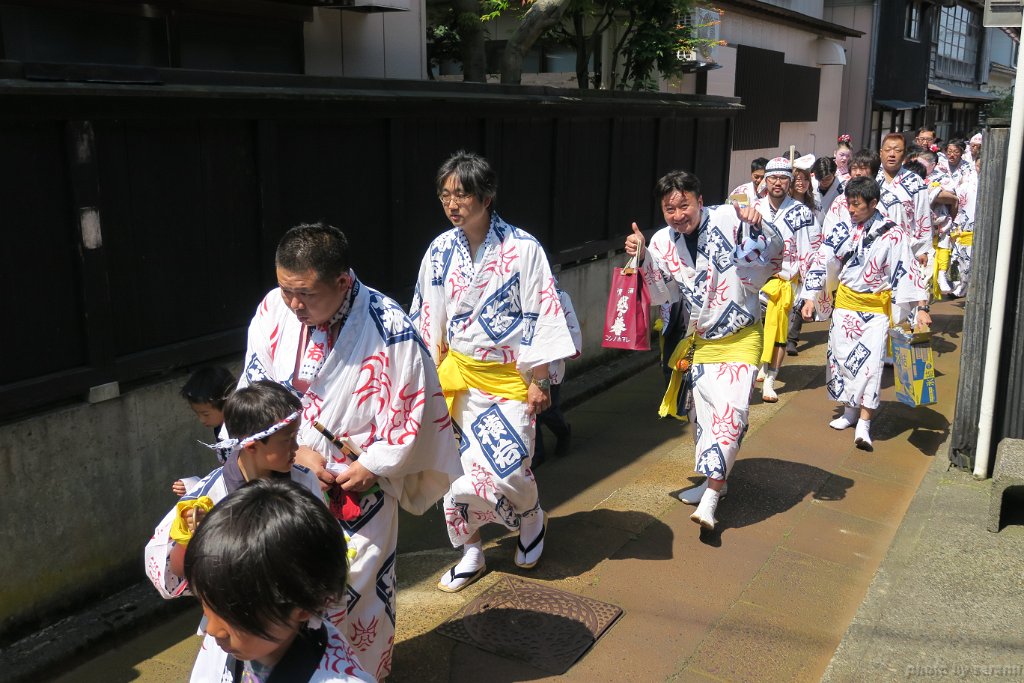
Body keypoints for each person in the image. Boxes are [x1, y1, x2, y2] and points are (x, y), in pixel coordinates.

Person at [239, 223, 461, 679]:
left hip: (356, 490)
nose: (293, 304)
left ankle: (362, 675)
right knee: (290, 596)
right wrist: (297, 452)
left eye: (305, 293)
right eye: (286, 290)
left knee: (356, 594)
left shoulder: (390, 327)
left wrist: (372, 465)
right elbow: (254, 392)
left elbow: (413, 410)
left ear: (342, 282)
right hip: (287, 481)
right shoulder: (272, 309)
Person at [411, 151, 576, 592]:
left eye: (462, 195)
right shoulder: (439, 251)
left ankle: (531, 516)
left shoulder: (523, 249)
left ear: (486, 197)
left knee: (509, 468)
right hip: (458, 380)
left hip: (509, 379)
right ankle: (470, 549)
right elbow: (427, 314)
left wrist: (540, 379)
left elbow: (542, 312)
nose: (452, 204)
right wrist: (426, 376)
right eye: (445, 195)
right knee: (455, 474)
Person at [625, 170, 784, 529]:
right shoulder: (663, 241)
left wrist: (758, 224)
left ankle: (711, 499)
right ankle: (717, 481)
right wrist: (643, 255)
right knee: (705, 418)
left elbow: (774, 255)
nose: (678, 215)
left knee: (731, 413)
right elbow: (664, 293)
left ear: (699, 200)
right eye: (669, 209)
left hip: (741, 336)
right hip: (703, 341)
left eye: (684, 205)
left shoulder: (730, 217)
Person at [145, 381, 322, 600]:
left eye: (296, 436)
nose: (296, 447)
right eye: (288, 439)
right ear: (252, 446)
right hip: (238, 606)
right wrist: (190, 536)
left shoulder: (304, 480)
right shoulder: (207, 498)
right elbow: (178, 569)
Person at [185, 478, 375, 682]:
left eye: (231, 613)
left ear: (303, 608)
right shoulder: (248, 641)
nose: (211, 630)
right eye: (205, 604)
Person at [800, 177, 930, 451]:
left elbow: (907, 272)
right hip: (845, 306)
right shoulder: (842, 228)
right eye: (848, 203)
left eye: (856, 204)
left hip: (874, 311)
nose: (850, 209)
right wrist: (810, 296)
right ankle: (849, 410)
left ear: (873, 203)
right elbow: (821, 260)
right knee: (842, 360)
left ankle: (864, 422)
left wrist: (920, 308)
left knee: (870, 367)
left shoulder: (892, 234)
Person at [753, 158, 820, 403]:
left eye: (783, 178)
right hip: (755, 280)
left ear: (790, 181)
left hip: (786, 280)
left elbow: (814, 251)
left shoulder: (802, 212)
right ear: (765, 180)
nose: (778, 182)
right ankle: (756, 369)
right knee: (755, 330)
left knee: (780, 330)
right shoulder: (754, 207)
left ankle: (771, 379)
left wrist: (809, 292)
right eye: (773, 177)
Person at [877, 133, 932, 328]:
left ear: (905, 154)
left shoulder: (915, 182)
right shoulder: (871, 180)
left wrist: (922, 249)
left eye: (897, 150)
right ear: (880, 153)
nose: (892, 154)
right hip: (875, 251)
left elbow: (923, 216)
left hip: (905, 250)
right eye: (888, 150)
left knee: (902, 305)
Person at [534, 285, 582, 465]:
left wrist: (560, 349)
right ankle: (537, 452)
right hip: (523, 362)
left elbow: (572, 327)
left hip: (551, 361)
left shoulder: (560, 296)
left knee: (548, 410)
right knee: (530, 412)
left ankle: (563, 431)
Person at [173, 366, 237, 496]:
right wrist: (196, 486)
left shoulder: (241, 430)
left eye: (205, 414)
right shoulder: (220, 427)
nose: (201, 420)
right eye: (197, 414)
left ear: (227, 403)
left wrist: (201, 486)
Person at [950, 155, 981, 298]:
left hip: (982, 228)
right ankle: (961, 288)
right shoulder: (966, 182)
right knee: (962, 262)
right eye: (978, 165)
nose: (980, 168)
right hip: (965, 227)